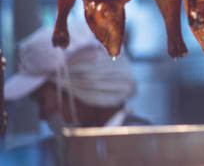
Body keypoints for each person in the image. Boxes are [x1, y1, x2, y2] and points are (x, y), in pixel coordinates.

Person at [1, 23, 147, 165]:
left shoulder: (142, 148)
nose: (42, 115)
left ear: (79, 89)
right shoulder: (79, 150)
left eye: (42, 100)